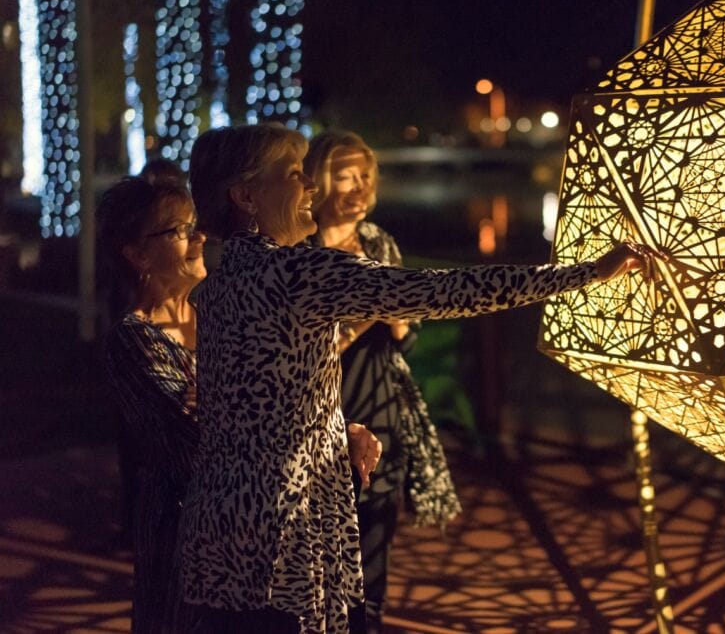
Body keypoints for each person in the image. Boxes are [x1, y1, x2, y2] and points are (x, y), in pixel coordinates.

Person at [180, 124, 660, 634]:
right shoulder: (297, 274)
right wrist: (584, 273)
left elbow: (251, 409)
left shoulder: (218, 285)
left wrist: (334, 431)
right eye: (295, 174)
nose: (310, 187)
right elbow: (448, 291)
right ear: (246, 196)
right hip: (284, 525)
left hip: (221, 523)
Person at [304, 130, 460, 632]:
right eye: (344, 177)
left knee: (374, 548)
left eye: (364, 177)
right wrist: (365, 316)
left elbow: (404, 344)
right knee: (316, 548)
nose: (356, 189)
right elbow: (300, 349)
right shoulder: (299, 250)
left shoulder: (378, 243)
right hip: (321, 413)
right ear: (319, 182)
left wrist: (400, 325)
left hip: (381, 407)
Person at [98, 178, 207, 633]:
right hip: (180, 519)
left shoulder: (218, 311)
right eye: (178, 230)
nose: (199, 237)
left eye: (195, 225)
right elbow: (194, 426)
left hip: (241, 510)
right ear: (137, 254)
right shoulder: (132, 338)